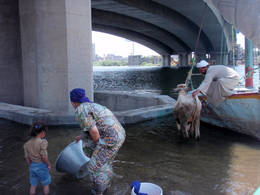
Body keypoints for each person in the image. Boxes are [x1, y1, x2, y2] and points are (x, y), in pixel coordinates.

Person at [70, 88, 126, 195]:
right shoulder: (92, 105)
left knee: (94, 166)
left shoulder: (80, 109)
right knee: (106, 162)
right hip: (120, 134)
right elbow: (98, 126)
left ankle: (98, 192)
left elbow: (94, 132)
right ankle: (107, 187)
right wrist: (81, 136)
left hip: (110, 139)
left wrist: (97, 147)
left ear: (73, 102)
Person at [23, 121, 51, 195]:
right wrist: (48, 164)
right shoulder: (43, 142)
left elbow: (27, 157)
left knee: (33, 185)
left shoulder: (26, 144)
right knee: (45, 184)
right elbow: (43, 156)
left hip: (32, 166)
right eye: (45, 132)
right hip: (42, 166)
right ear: (42, 132)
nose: (45, 134)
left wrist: (30, 166)